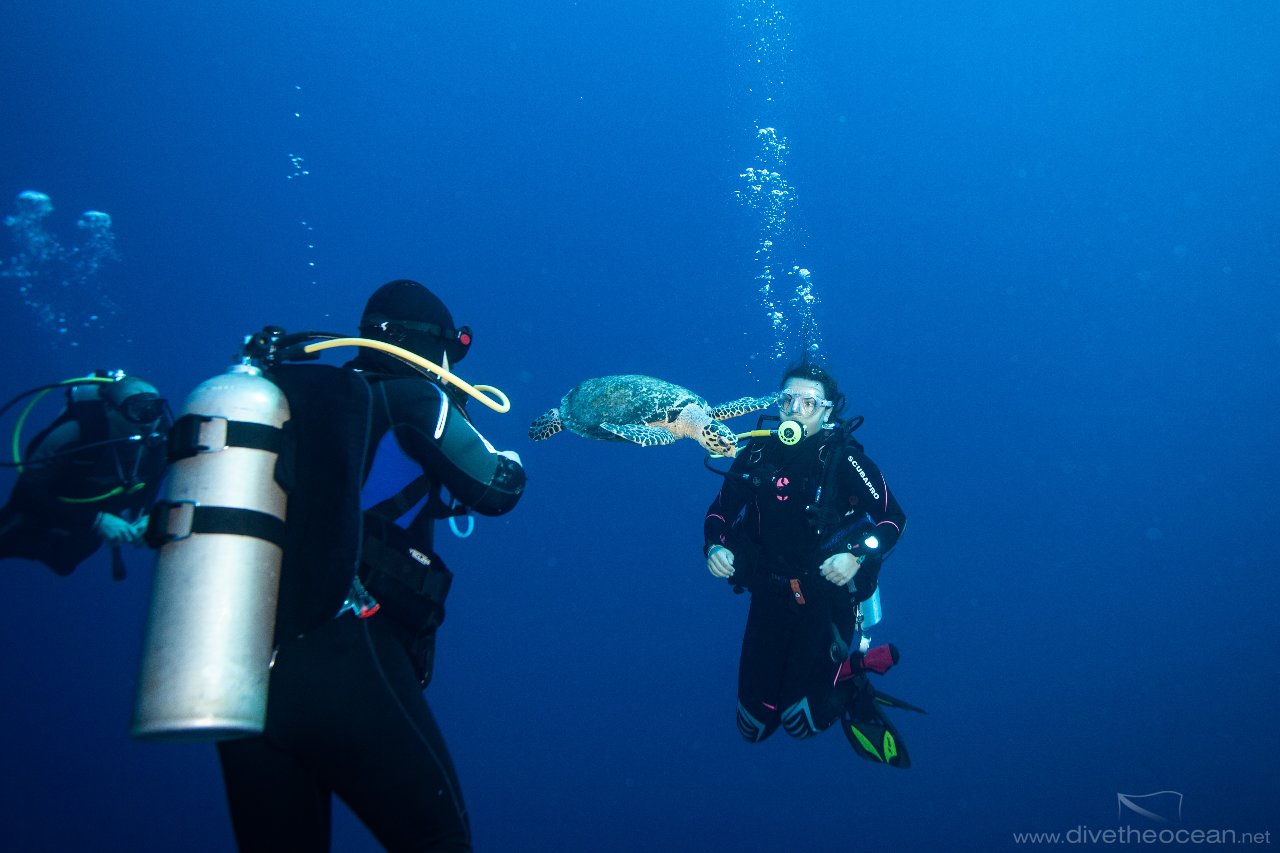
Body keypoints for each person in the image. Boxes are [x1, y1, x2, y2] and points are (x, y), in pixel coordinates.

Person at [215, 279, 527, 852]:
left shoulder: (304, 404)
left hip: (244, 674)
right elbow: (496, 490)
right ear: (429, 346)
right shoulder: (414, 398)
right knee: (439, 841)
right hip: (344, 654)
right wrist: (507, 458)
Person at [703, 360, 918, 766]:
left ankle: (853, 683)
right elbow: (718, 513)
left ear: (827, 411)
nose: (795, 411)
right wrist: (715, 547)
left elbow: (894, 519)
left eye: (809, 403)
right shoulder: (755, 453)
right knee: (752, 727)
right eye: (788, 400)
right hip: (768, 596)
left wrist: (857, 555)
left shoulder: (844, 460)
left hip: (826, 600)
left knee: (801, 723)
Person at [0, 371, 167, 579]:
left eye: (155, 408)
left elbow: (148, 489)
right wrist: (96, 520)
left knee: (62, 561)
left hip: (95, 517)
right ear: (109, 409)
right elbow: (24, 495)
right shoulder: (75, 433)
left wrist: (147, 519)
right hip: (48, 505)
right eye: (137, 409)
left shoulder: (159, 444)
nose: (149, 421)